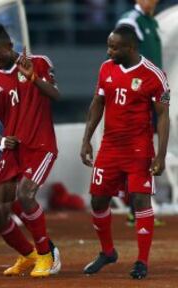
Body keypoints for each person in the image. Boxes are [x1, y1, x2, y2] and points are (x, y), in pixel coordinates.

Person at [80, 26, 169, 279]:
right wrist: (86, 140)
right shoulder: (106, 67)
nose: (109, 51)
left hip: (139, 149)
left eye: (115, 47)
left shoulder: (154, 75)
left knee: (140, 199)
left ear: (131, 48)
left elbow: (163, 116)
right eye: (109, 46)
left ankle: (142, 261)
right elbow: (97, 103)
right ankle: (107, 252)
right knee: (98, 200)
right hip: (109, 147)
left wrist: (160, 155)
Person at [0, 23, 61, 277]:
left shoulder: (38, 63)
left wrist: (33, 78)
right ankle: (29, 255)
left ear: (9, 46)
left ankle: (47, 255)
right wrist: (1, 141)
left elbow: (56, 95)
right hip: (12, 152)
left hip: (40, 145)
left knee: (25, 194)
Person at [116, 0, 164, 227]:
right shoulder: (130, 20)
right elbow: (117, 54)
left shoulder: (151, 22)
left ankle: (139, 207)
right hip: (138, 96)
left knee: (146, 147)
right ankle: (134, 207)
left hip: (154, 92)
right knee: (135, 150)